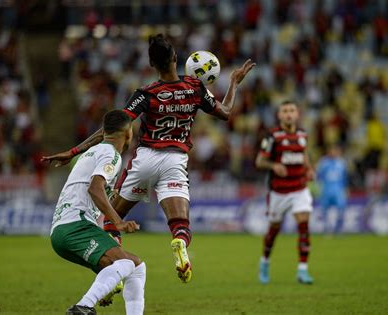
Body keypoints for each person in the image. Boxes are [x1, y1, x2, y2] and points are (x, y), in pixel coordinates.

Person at [43, 34, 255, 283]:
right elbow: (226, 112)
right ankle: (178, 243)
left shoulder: (145, 93)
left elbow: (113, 128)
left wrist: (74, 151)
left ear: (152, 64)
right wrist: (234, 83)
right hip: (175, 161)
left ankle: (115, 273)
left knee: (112, 222)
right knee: (180, 223)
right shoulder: (195, 88)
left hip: (144, 159)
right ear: (176, 58)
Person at [50, 110, 145, 315]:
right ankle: (84, 306)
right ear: (128, 133)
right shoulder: (111, 154)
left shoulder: (91, 152)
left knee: (136, 266)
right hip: (76, 226)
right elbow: (95, 188)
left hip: (64, 230)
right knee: (125, 262)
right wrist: (117, 222)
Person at [255, 101, 315, 285]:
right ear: (279, 115)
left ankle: (302, 270)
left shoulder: (303, 134)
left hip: (299, 189)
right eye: (285, 111)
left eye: (292, 110)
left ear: (297, 114)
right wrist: (274, 165)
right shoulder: (273, 136)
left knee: (303, 226)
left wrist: (309, 168)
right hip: (278, 192)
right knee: (274, 230)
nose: (289, 114)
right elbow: (259, 161)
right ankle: (264, 262)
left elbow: (303, 155)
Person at [317, 145, 348, 234]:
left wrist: (346, 189)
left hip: (338, 190)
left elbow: (345, 177)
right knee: (325, 210)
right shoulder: (323, 162)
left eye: (336, 151)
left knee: (341, 208)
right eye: (332, 150)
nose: (334, 152)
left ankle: (338, 229)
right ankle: (327, 229)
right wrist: (319, 188)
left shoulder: (342, 162)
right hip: (326, 189)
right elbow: (319, 176)